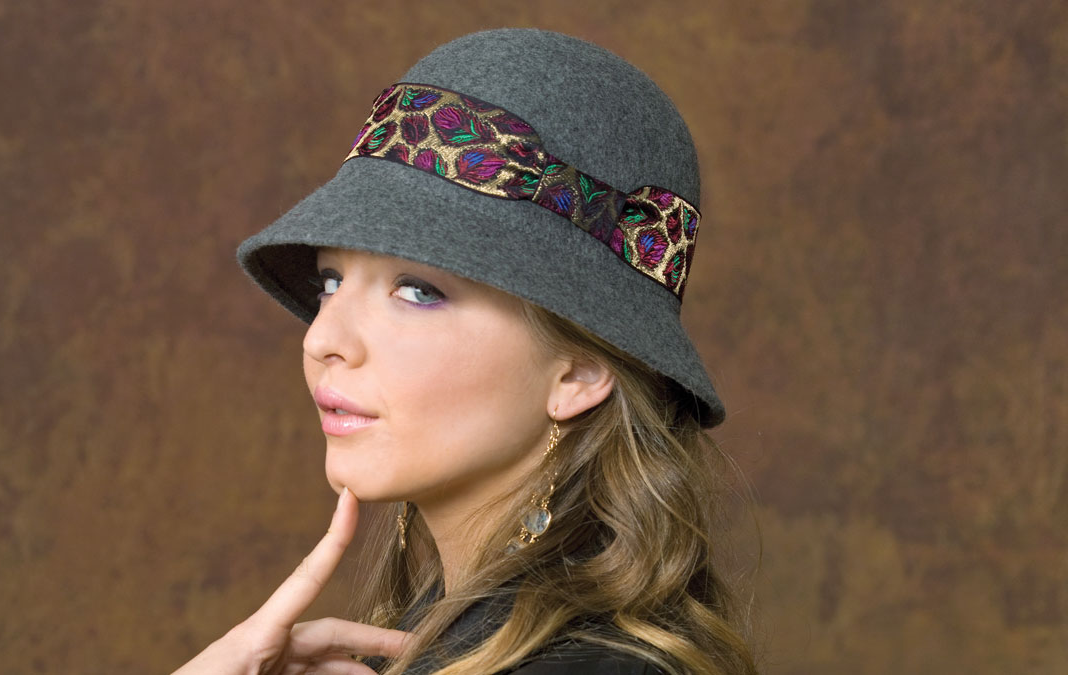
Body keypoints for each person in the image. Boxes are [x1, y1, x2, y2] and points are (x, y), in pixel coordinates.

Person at [173, 28, 757, 675]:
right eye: (330, 281)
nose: (322, 339)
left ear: (579, 373)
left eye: (417, 291)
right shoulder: (449, 638)